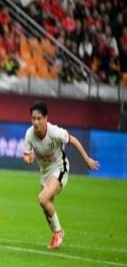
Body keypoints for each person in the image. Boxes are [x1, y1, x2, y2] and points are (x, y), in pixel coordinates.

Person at [23, 101, 99, 249]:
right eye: (33, 118)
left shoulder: (54, 132)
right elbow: (26, 155)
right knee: (46, 206)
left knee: (42, 198)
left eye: (39, 118)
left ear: (46, 118)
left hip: (59, 168)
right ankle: (55, 233)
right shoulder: (29, 134)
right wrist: (29, 158)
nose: (36, 122)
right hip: (44, 173)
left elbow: (73, 140)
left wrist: (87, 159)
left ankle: (58, 232)